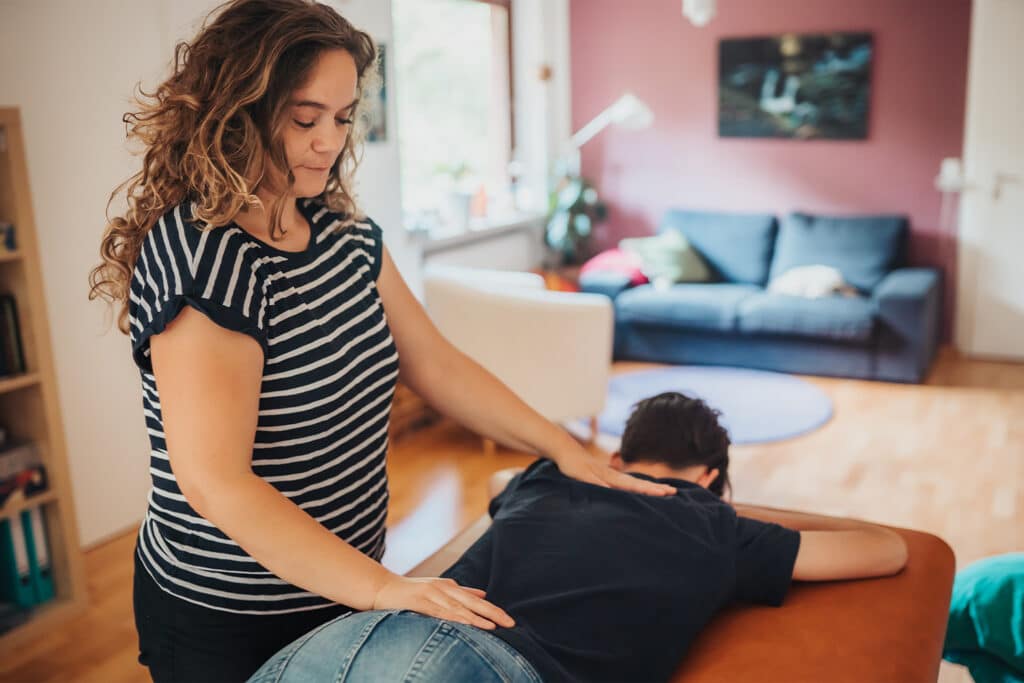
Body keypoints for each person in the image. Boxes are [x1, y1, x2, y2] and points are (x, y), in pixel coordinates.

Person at [87, 1, 674, 681]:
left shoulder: (342, 232)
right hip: (228, 616)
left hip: (341, 584)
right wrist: (384, 588)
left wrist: (561, 444)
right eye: (306, 119)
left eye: (341, 118)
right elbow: (217, 483)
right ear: (238, 109)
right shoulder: (207, 257)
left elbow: (435, 363)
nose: (330, 142)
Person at [250, 391, 910, 683]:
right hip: (483, 665)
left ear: (620, 456)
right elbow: (889, 548)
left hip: (360, 631)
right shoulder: (714, 525)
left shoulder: (539, 478)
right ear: (709, 476)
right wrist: (731, 510)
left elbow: (500, 479)